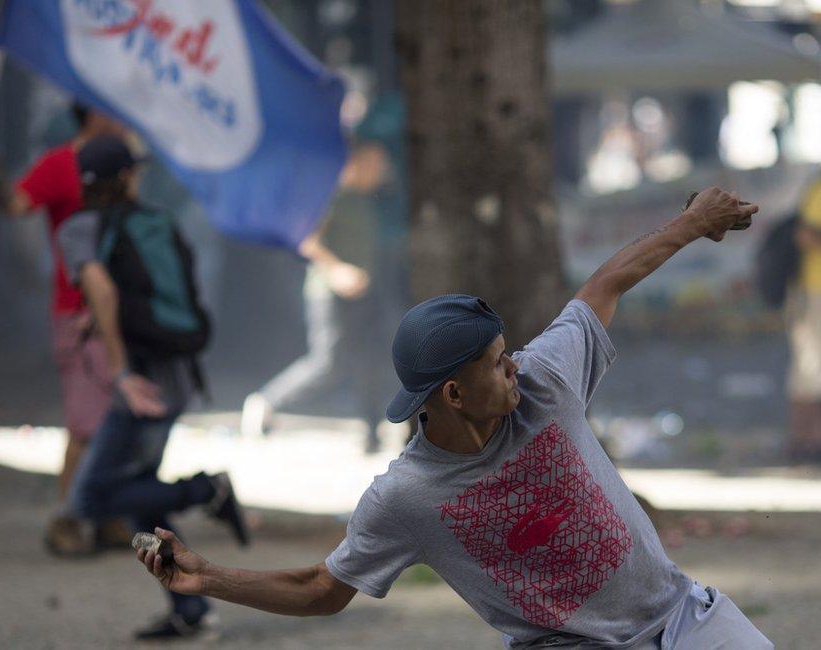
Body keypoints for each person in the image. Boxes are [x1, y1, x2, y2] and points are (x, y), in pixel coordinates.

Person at [137, 187, 772, 649]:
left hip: (684, 617)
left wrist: (692, 224)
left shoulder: (544, 381)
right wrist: (211, 578)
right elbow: (320, 589)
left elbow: (602, 287)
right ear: (452, 395)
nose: (514, 368)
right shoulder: (409, 496)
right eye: (496, 365)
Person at [58, 135, 249, 640]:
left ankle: (207, 488)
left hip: (142, 386)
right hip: (175, 376)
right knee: (143, 505)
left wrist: (120, 374)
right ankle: (191, 612)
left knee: (91, 499)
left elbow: (102, 288)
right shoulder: (157, 223)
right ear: (127, 178)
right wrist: (94, 323)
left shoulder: (80, 228)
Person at [0, 104, 129, 552]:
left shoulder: (123, 157)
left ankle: (106, 516)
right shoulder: (59, 165)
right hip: (78, 313)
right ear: (91, 114)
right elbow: (13, 204)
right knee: (86, 423)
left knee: (117, 417)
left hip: (117, 311)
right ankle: (67, 519)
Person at [240, 139, 393, 453]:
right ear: (358, 160)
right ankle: (265, 402)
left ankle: (372, 433)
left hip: (364, 292)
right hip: (327, 293)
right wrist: (337, 271)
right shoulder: (330, 195)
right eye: (376, 163)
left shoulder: (364, 199)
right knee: (328, 362)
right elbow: (306, 240)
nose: (381, 172)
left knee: (370, 358)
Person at [786, 176, 821, 463]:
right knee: (809, 372)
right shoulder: (817, 190)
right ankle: (805, 442)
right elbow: (806, 236)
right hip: (814, 291)